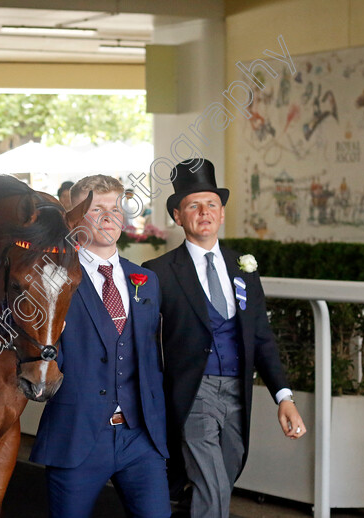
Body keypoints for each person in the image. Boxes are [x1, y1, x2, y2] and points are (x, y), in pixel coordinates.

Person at [142, 159, 306, 518]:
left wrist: (284, 396)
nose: (204, 212)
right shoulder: (158, 273)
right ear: (177, 216)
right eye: (193, 206)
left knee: (226, 473)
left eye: (211, 204)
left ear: (222, 213)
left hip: (238, 391)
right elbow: (142, 341)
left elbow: (261, 337)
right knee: (212, 483)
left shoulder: (243, 268)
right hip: (192, 393)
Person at [30, 175, 170, 517]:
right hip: (77, 435)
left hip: (141, 437)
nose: (109, 217)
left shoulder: (146, 281)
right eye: (97, 209)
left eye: (115, 208)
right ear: (75, 217)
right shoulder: (53, 279)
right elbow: (41, 360)